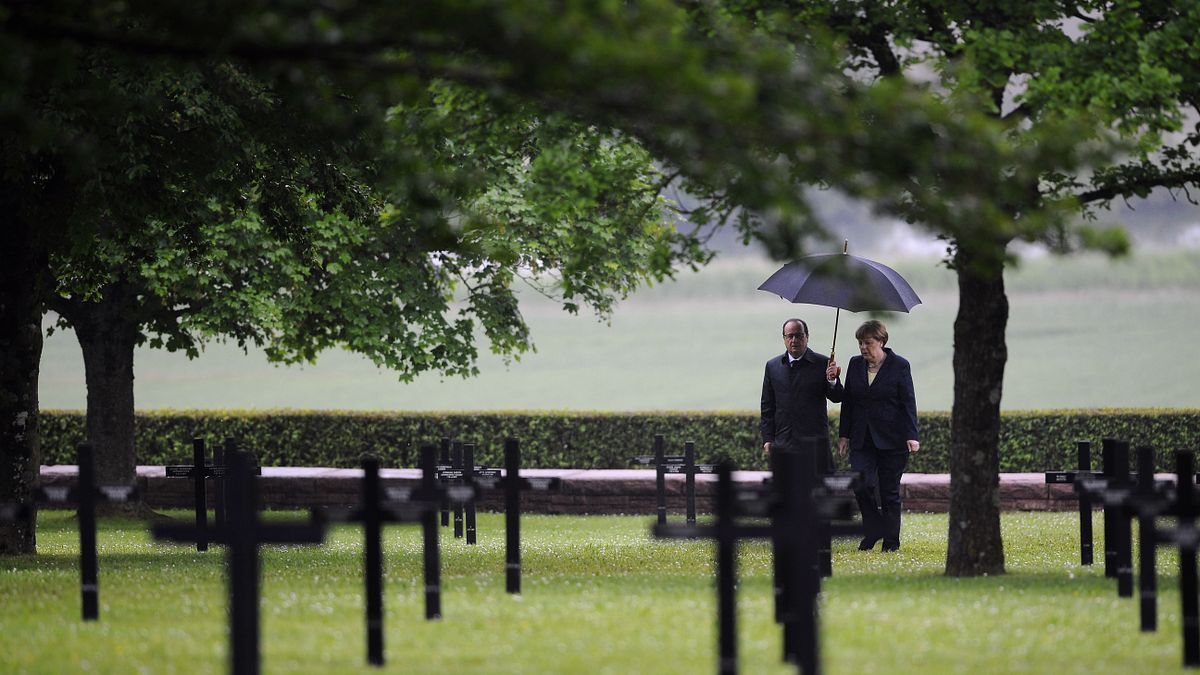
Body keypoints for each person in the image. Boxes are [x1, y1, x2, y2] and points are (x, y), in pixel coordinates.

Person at [836, 320, 919, 552]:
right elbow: (848, 402)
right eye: (860, 343)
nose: (863, 347)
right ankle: (874, 529)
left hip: (892, 439)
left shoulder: (899, 365)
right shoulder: (855, 364)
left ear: (881, 342)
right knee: (861, 484)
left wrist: (912, 435)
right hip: (861, 438)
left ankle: (891, 542)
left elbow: (908, 402)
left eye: (868, 343)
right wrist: (844, 435)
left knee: (889, 492)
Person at [760, 318, 842, 460]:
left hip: (815, 442)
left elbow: (837, 397)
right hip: (783, 441)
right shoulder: (773, 366)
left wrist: (832, 380)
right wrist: (768, 438)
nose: (794, 340)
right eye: (790, 336)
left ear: (807, 337)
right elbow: (767, 406)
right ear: (784, 339)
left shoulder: (823, 363)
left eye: (799, 335)